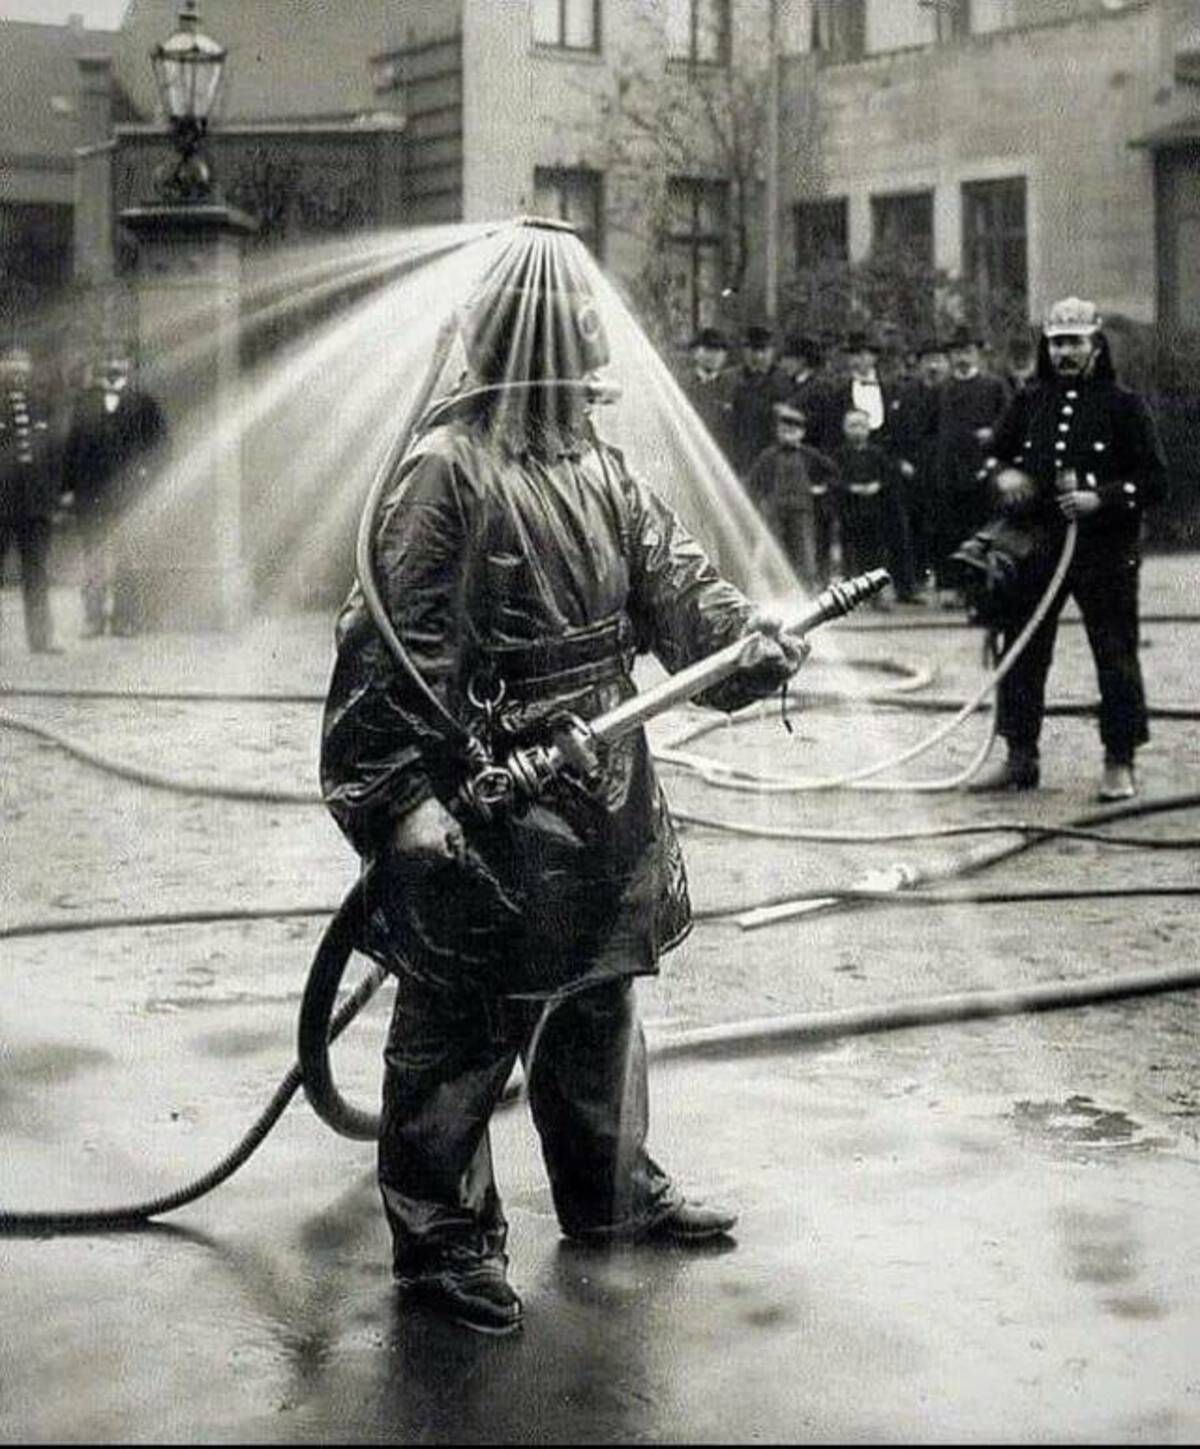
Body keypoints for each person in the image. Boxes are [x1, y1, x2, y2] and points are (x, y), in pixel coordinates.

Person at [319, 227, 807, 1337]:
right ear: (513, 352)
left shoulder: (599, 467)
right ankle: (442, 1240)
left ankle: (610, 1193)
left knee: (597, 997)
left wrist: (745, 639)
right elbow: (384, 655)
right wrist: (401, 803)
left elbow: (675, 585)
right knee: (462, 1017)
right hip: (489, 789)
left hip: (603, 784)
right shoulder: (445, 474)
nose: (582, 377)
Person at [968, 297, 1168, 801]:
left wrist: (1099, 498)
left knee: (1114, 652)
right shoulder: (1030, 401)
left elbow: (1155, 480)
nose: (1065, 353)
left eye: (1075, 341)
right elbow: (991, 458)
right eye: (1057, 343)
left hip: (1105, 551)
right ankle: (1020, 756)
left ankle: (1119, 760)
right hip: (1037, 546)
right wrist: (1004, 473)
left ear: (1096, 344)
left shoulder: (1124, 405)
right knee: (1023, 649)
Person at [61, 349, 169, 637]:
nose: (113, 366)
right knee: (93, 559)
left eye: (119, 361)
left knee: (126, 559)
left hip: (128, 497)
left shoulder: (143, 402)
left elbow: (161, 446)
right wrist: (67, 489)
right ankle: (94, 620)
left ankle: (125, 620)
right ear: (100, 367)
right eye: (108, 361)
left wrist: (146, 479)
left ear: (129, 366)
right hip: (90, 496)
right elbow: (72, 448)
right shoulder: (85, 401)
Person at [931, 325, 1010, 605]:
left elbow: (1010, 422)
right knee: (949, 530)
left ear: (977, 354)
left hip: (983, 469)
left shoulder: (994, 386)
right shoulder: (941, 390)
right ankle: (950, 589)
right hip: (949, 472)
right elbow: (930, 431)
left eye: (967, 351)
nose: (962, 358)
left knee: (982, 530)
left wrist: (993, 433)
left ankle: (980, 590)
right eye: (956, 353)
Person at [0, 343, 62, 655]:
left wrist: (54, 497)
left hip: (35, 505)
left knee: (36, 572)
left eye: (23, 361)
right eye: (10, 361)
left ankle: (41, 639)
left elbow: (53, 456)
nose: (18, 368)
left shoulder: (41, 405)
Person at [744, 399, 839, 590]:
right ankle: (776, 587)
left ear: (802, 433)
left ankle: (806, 587)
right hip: (775, 510)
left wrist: (821, 488)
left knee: (804, 548)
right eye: (784, 431)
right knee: (775, 547)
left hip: (802, 510)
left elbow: (833, 473)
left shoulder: (810, 455)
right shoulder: (768, 455)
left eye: (793, 431)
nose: (788, 435)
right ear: (778, 433)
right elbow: (752, 481)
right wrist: (761, 501)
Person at [830, 406, 910, 607]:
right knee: (851, 554)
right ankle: (851, 595)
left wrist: (878, 485)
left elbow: (889, 477)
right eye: (852, 426)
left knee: (875, 553)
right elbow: (833, 480)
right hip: (850, 510)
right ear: (844, 428)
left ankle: (877, 593)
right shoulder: (839, 455)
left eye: (862, 426)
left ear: (869, 429)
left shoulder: (877, 454)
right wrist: (851, 487)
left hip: (875, 512)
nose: (858, 431)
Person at [726, 323, 794, 479]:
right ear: (744, 352)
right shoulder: (731, 378)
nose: (758, 357)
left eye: (763, 350)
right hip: (738, 454)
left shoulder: (784, 380)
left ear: (772, 352)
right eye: (752, 351)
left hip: (772, 456)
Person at [680, 325, 733, 458]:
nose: (715, 356)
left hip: (721, 458)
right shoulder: (682, 385)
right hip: (688, 453)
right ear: (696, 352)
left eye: (720, 351)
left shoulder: (732, 387)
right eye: (709, 350)